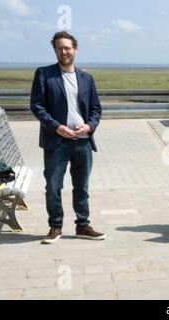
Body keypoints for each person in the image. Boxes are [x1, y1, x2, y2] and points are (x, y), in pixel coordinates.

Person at [30, 31, 105, 244]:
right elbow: (37, 106)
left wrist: (89, 127)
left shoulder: (86, 78)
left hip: (82, 141)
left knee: (82, 186)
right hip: (56, 141)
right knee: (53, 186)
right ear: (55, 51)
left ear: (75, 50)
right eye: (59, 48)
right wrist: (57, 127)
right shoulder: (44, 74)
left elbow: (96, 109)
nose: (64, 51)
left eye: (67, 48)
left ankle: (82, 225)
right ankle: (55, 226)